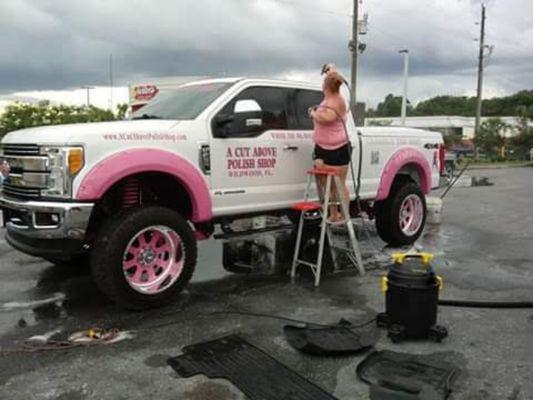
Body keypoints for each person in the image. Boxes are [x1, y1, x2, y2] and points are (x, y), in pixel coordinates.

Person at [309, 70, 351, 222]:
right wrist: (330, 69)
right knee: (326, 184)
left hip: (338, 149)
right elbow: (334, 74)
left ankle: (344, 215)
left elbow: (328, 118)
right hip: (322, 147)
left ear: (326, 86)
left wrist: (313, 113)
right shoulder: (328, 98)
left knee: (338, 184)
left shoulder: (337, 100)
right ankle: (333, 214)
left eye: (324, 81)